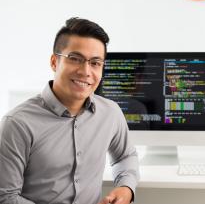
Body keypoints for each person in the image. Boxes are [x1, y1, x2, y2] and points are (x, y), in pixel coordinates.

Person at [0, 17, 140, 204]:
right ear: (53, 62)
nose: (85, 71)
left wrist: (126, 188)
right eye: (75, 59)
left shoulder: (111, 113)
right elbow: (5, 197)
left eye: (95, 63)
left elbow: (125, 156)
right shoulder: (16, 124)